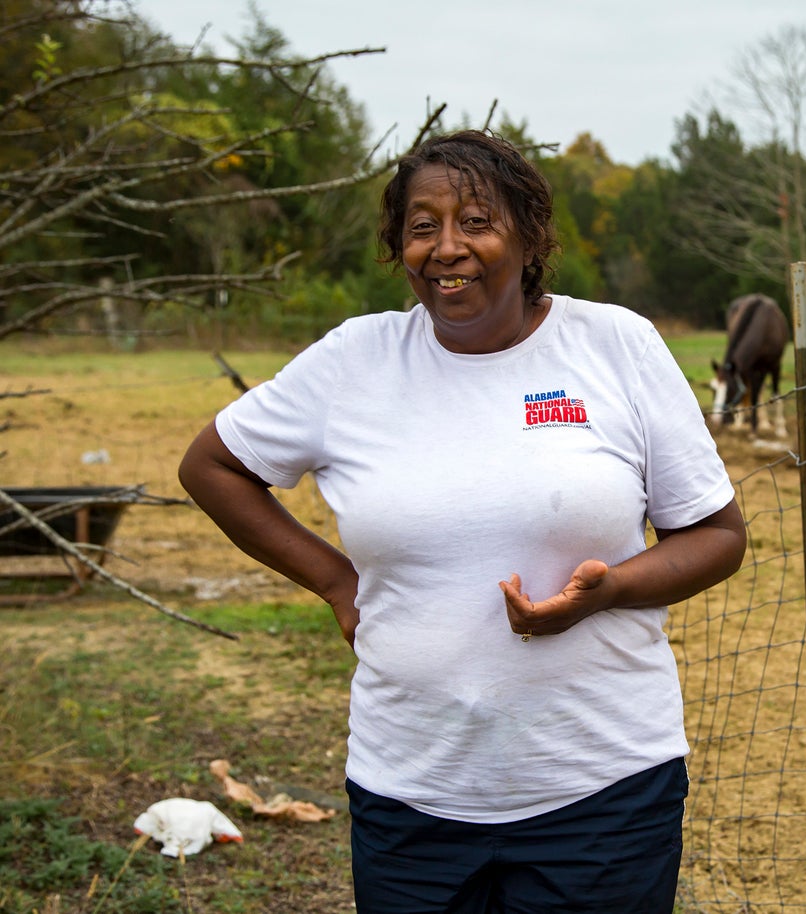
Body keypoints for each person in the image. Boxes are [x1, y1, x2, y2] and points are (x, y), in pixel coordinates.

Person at [178, 128, 746, 914]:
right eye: (422, 226)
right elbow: (212, 467)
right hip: (410, 793)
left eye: (476, 221)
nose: (447, 247)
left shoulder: (616, 346)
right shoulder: (356, 362)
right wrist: (337, 581)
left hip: (603, 791)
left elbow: (718, 536)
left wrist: (608, 590)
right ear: (398, 245)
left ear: (529, 234)